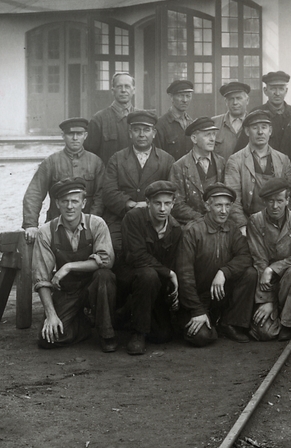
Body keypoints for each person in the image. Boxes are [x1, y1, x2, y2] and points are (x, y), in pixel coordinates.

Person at [32, 179, 117, 351]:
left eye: (75, 201)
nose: (70, 206)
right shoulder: (46, 231)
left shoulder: (96, 224)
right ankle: (83, 324)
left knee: (104, 276)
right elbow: (42, 279)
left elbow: (106, 260)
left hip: (94, 287)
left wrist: (68, 266)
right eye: (65, 201)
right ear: (57, 203)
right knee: (49, 340)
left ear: (83, 203)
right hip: (67, 290)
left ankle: (106, 334)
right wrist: (51, 315)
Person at [175, 183, 257, 346]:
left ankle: (229, 323)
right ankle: (207, 321)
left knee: (250, 273)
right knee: (201, 337)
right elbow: (185, 274)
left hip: (221, 295)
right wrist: (197, 310)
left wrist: (224, 272)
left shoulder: (232, 229)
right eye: (218, 205)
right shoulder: (193, 231)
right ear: (207, 206)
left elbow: (245, 256)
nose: (224, 211)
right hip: (198, 299)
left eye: (227, 205)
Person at [116, 179, 184, 354]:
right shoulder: (133, 218)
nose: (162, 209)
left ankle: (129, 313)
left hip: (155, 283)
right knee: (148, 275)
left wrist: (169, 280)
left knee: (163, 335)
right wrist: (169, 273)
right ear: (147, 203)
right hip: (128, 276)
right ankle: (138, 334)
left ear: (173, 204)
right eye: (157, 203)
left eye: (167, 204)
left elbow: (172, 261)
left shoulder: (175, 229)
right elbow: (136, 256)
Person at [245, 177, 291, 342]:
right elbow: (259, 260)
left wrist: (273, 268)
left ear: (287, 200)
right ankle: (276, 314)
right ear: (265, 202)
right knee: (265, 333)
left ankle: (288, 322)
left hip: (290, 283)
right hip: (265, 283)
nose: (275, 206)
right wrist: (267, 301)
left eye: (280, 201)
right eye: (271, 201)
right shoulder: (256, 221)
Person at [102, 111, 175, 254]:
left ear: (154, 133)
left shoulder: (167, 160)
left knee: (157, 249)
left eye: (146, 130)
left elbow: (172, 193)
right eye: (136, 130)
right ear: (130, 133)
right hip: (120, 218)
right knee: (116, 249)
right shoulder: (117, 159)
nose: (141, 135)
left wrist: (149, 206)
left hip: (155, 219)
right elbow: (108, 192)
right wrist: (131, 204)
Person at [22, 117, 105, 241]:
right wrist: (31, 224)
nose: (75, 138)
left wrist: (91, 222)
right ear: (63, 136)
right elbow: (34, 193)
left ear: (85, 135)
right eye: (71, 134)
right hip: (56, 224)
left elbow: (101, 196)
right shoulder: (51, 162)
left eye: (79, 134)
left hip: (87, 226)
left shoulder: (96, 162)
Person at [225, 107, 291, 222]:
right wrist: (243, 226)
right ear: (247, 131)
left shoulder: (283, 160)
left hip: (278, 222)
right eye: (255, 128)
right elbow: (233, 200)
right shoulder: (235, 161)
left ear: (270, 131)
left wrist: (284, 224)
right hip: (248, 221)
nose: (260, 132)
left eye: (264, 127)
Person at [169, 117, 230, 226]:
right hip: (192, 226)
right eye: (207, 135)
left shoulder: (221, 163)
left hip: (219, 224)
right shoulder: (179, 166)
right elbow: (177, 204)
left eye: (214, 134)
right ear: (194, 138)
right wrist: (202, 220)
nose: (212, 139)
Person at [85, 71, 137, 165]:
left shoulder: (140, 118)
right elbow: (89, 155)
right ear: (113, 91)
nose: (123, 90)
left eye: (127, 86)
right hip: (108, 173)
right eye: (119, 86)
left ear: (133, 90)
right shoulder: (99, 119)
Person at [253, 71, 291, 151]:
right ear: (265, 91)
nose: (277, 93)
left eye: (281, 89)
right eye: (273, 88)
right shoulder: (256, 114)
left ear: (286, 91)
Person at [155, 79, 196, 160]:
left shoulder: (192, 123)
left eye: (188, 96)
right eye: (180, 96)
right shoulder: (160, 125)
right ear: (171, 97)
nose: (185, 100)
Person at [213, 81, 253, 161]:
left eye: (239, 98)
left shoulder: (254, 124)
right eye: (231, 99)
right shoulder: (214, 124)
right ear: (226, 102)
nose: (235, 103)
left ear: (247, 100)